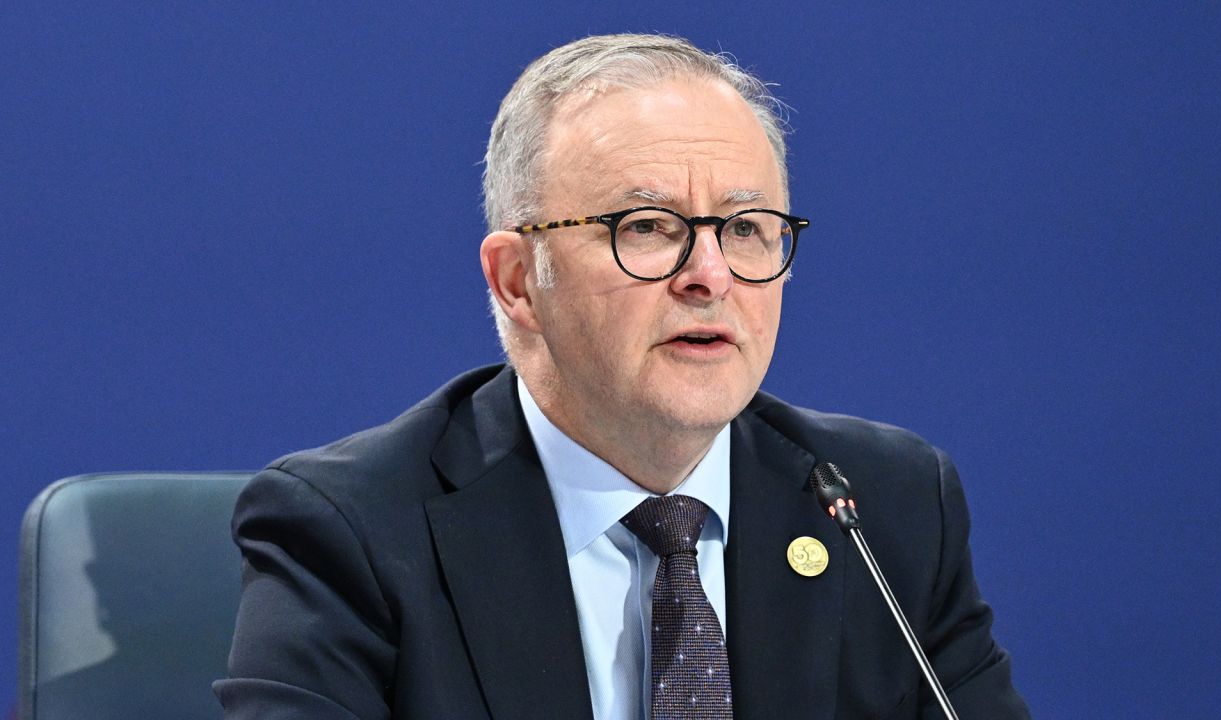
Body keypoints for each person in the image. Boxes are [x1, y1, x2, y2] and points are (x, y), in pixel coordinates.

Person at [215, 34, 1030, 719]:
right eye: (648, 227)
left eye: (746, 228)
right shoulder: (351, 532)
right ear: (518, 282)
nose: (709, 274)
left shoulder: (883, 505)